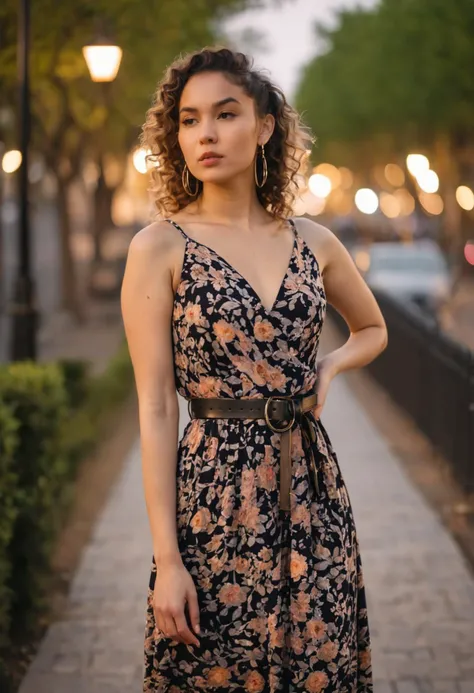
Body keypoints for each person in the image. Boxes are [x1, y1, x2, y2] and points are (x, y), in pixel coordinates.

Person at [121, 45, 387, 693]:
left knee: (317, 668)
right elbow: (155, 407)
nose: (205, 133)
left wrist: (329, 366)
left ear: (264, 126)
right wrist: (167, 558)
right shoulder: (159, 247)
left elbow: (373, 329)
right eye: (188, 119)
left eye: (225, 113)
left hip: (313, 492)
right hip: (214, 497)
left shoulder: (314, 242)